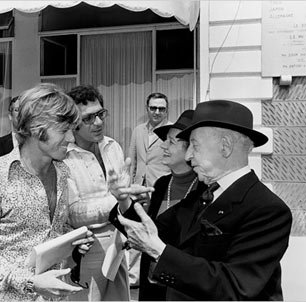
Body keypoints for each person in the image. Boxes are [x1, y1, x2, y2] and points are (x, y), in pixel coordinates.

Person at [109, 100, 293, 300]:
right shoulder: (203, 195)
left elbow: (234, 286)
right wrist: (124, 200)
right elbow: (154, 231)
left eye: (194, 145)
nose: (188, 156)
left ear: (225, 147)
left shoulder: (267, 209)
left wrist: (160, 252)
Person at [0, 83, 94, 302]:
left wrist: (73, 240)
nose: (72, 139)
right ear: (36, 128)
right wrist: (29, 282)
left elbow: (53, 230)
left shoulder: (63, 172)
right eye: (64, 130)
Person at [63, 85, 130, 301]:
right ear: (73, 124)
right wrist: (118, 199)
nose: (99, 122)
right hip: (86, 248)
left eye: (101, 114)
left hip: (118, 244)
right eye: (89, 118)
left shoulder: (113, 147)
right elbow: (73, 213)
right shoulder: (64, 158)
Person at [138, 109, 197, 301]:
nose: (163, 146)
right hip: (152, 283)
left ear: (191, 149)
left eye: (171, 142)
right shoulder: (162, 184)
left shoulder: (204, 189)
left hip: (183, 289)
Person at [127, 92, 172, 287]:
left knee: (157, 230)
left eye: (161, 108)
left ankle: (157, 273)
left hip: (159, 188)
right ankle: (134, 276)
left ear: (166, 110)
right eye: (153, 108)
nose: (157, 112)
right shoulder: (138, 130)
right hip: (139, 187)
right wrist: (129, 185)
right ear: (147, 109)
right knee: (136, 227)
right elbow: (133, 160)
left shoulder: (171, 132)